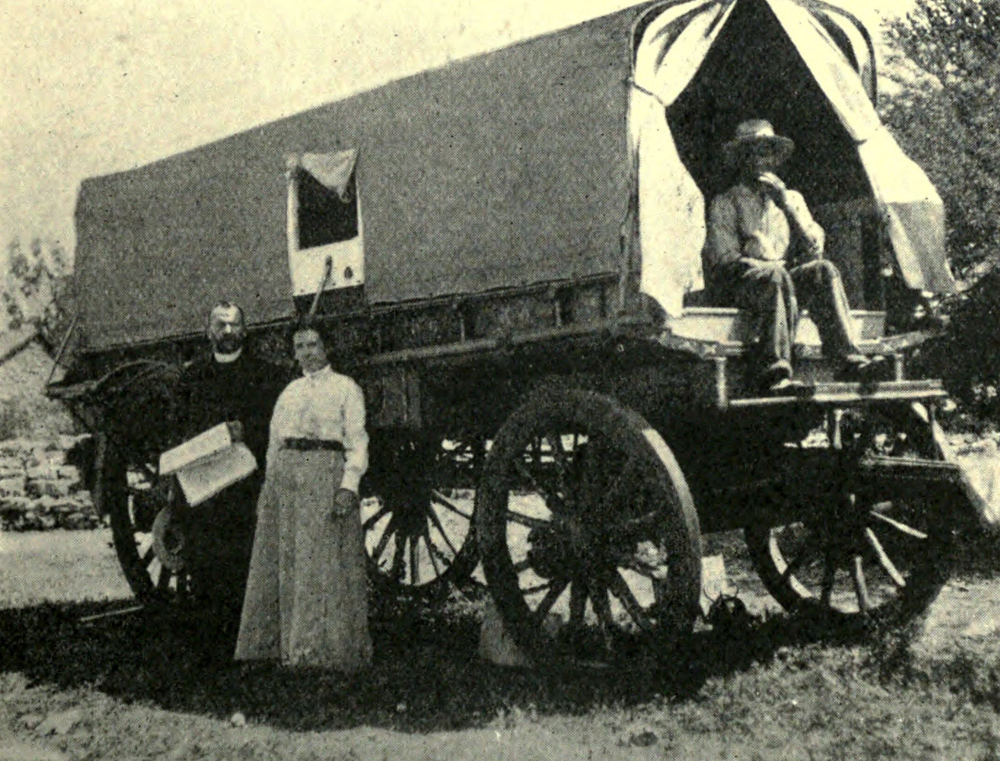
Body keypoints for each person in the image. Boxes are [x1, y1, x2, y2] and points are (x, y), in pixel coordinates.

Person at [234, 324, 372, 671]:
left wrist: (348, 485)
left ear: (327, 348)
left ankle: (329, 653)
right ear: (293, 353)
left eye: (314, 344)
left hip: (325, 473)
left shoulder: (346, 388)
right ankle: (290, 649)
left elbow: (357, 441)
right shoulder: (289, 393)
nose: (308, 352)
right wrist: (269, 487)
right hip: (287, 477)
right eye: (300, 346)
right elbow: (273, 443)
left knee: (324, 563)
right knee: (291, 561)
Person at [703, 119, 876, 393]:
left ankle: (849, 359)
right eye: (753, 153)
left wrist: (787, 207)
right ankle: (775, 370)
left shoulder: (791, 198)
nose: (762, 160)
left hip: (781, 280)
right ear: (741, 160)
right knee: (776, 274)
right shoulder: (726, 202)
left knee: (824, 269)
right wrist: (768, 266)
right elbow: (725, 258)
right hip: (743, 284)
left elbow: (814, 248)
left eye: (767, 152)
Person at [171, 301, 285, 633]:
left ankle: (247, 635)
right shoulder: (191, 378)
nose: (228, 331)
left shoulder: (263, 375)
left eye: (234, 325)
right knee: (205, 560)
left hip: (243, 484)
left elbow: (273, 424)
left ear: (245, 331)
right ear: (209, 331)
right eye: (220, 325)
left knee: (244, 556)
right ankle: (211, 638)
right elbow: (179, 427)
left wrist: (246, 429)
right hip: (204, 485)